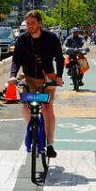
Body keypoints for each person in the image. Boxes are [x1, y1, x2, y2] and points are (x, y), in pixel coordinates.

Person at [8, 10, 65, 158]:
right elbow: (16, 60)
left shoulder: (51, 38)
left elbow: (59, 58)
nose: (30, 26)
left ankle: (50, 144)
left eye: (33, 23)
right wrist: (13, 76)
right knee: (26, 105)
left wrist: (59, 76)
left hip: (47, 78)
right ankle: (31, 130)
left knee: (47, 108)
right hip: (29, 77)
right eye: (28, 23)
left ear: (39, 23)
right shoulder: (22, 39)